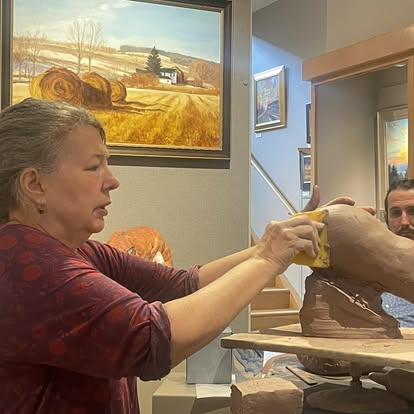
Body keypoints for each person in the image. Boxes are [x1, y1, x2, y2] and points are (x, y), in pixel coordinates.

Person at [0, 98, 328, 414]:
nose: (112, 181)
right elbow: (151, 338)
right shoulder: (26, 262)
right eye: (93, 166)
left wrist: (268, 245)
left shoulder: (79, 251)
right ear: (35, 184)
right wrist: (268, 260)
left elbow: (184, 285)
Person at [380, 179, 414, 327]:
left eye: (412, 211)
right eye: (396, 213)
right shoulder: (371, 266)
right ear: (386, 218)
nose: (404, 222)